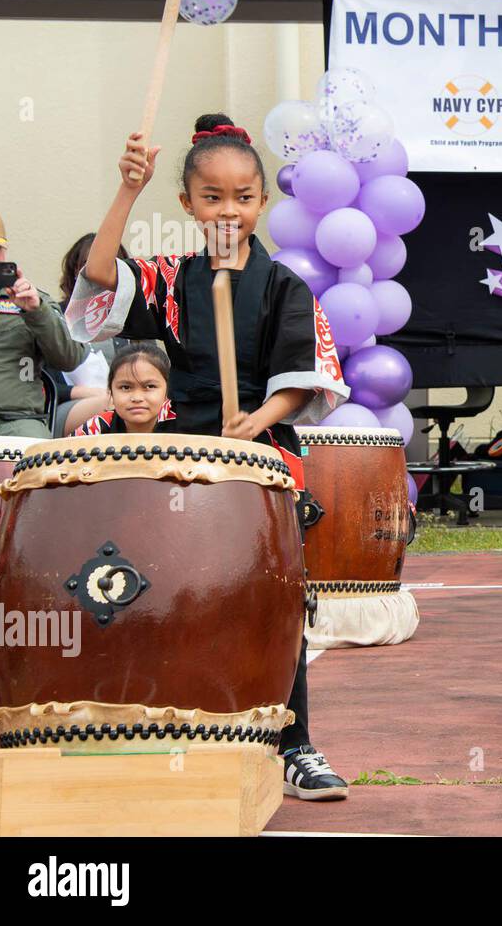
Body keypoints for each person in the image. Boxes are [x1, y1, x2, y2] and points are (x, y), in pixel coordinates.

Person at [67, 114, 350, 801]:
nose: (230, 210)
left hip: (262, 452)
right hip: (182, 450)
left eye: (245, 196)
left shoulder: (285, 285)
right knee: (168, 588)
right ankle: (171, 727)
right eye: (214, 197)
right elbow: (98, 285)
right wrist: (126, 191)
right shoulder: (169, 279)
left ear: (262, 202)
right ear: (189, 204)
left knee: (274, 596)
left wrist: (256, 421)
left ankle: (295, 743)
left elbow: (307, 374)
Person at [0, 208, 87, 438]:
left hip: (16, 422)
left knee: (38, 459)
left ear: (5, 250)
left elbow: (69, 358)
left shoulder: (34, 301)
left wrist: (36, 312)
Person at [47, 234, 133, 436]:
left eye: (110, 265)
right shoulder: (53, 317)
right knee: (119, 404)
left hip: (124, 401)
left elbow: (155, 370)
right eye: (89, 265)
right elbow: (40, 384)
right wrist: (87, 393)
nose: (99, 273)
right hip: (70, 405)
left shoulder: (133, 319)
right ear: (75, 271)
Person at [74, 342, 178, 436]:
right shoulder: (95, 429)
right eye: (125, 387)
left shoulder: (185, 425)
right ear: (111, 392)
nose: (137, 398)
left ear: (168, 390)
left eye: (150, 386)